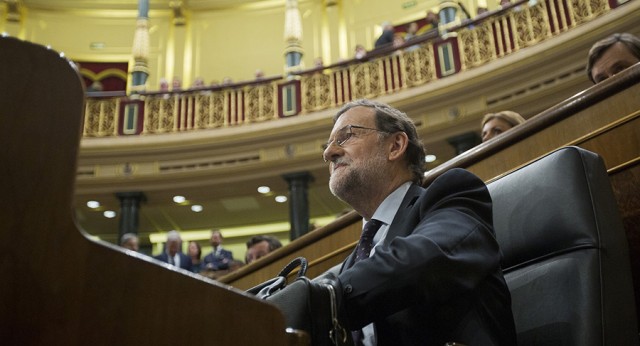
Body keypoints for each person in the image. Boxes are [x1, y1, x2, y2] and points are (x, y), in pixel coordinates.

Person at [320, 99, 516, 345]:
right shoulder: (354, 262)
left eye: (346, 136)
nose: (329, 152)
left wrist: (323, 299)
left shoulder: (453, 194)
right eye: (328, 145)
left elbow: (424, 261)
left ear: (395, 145)